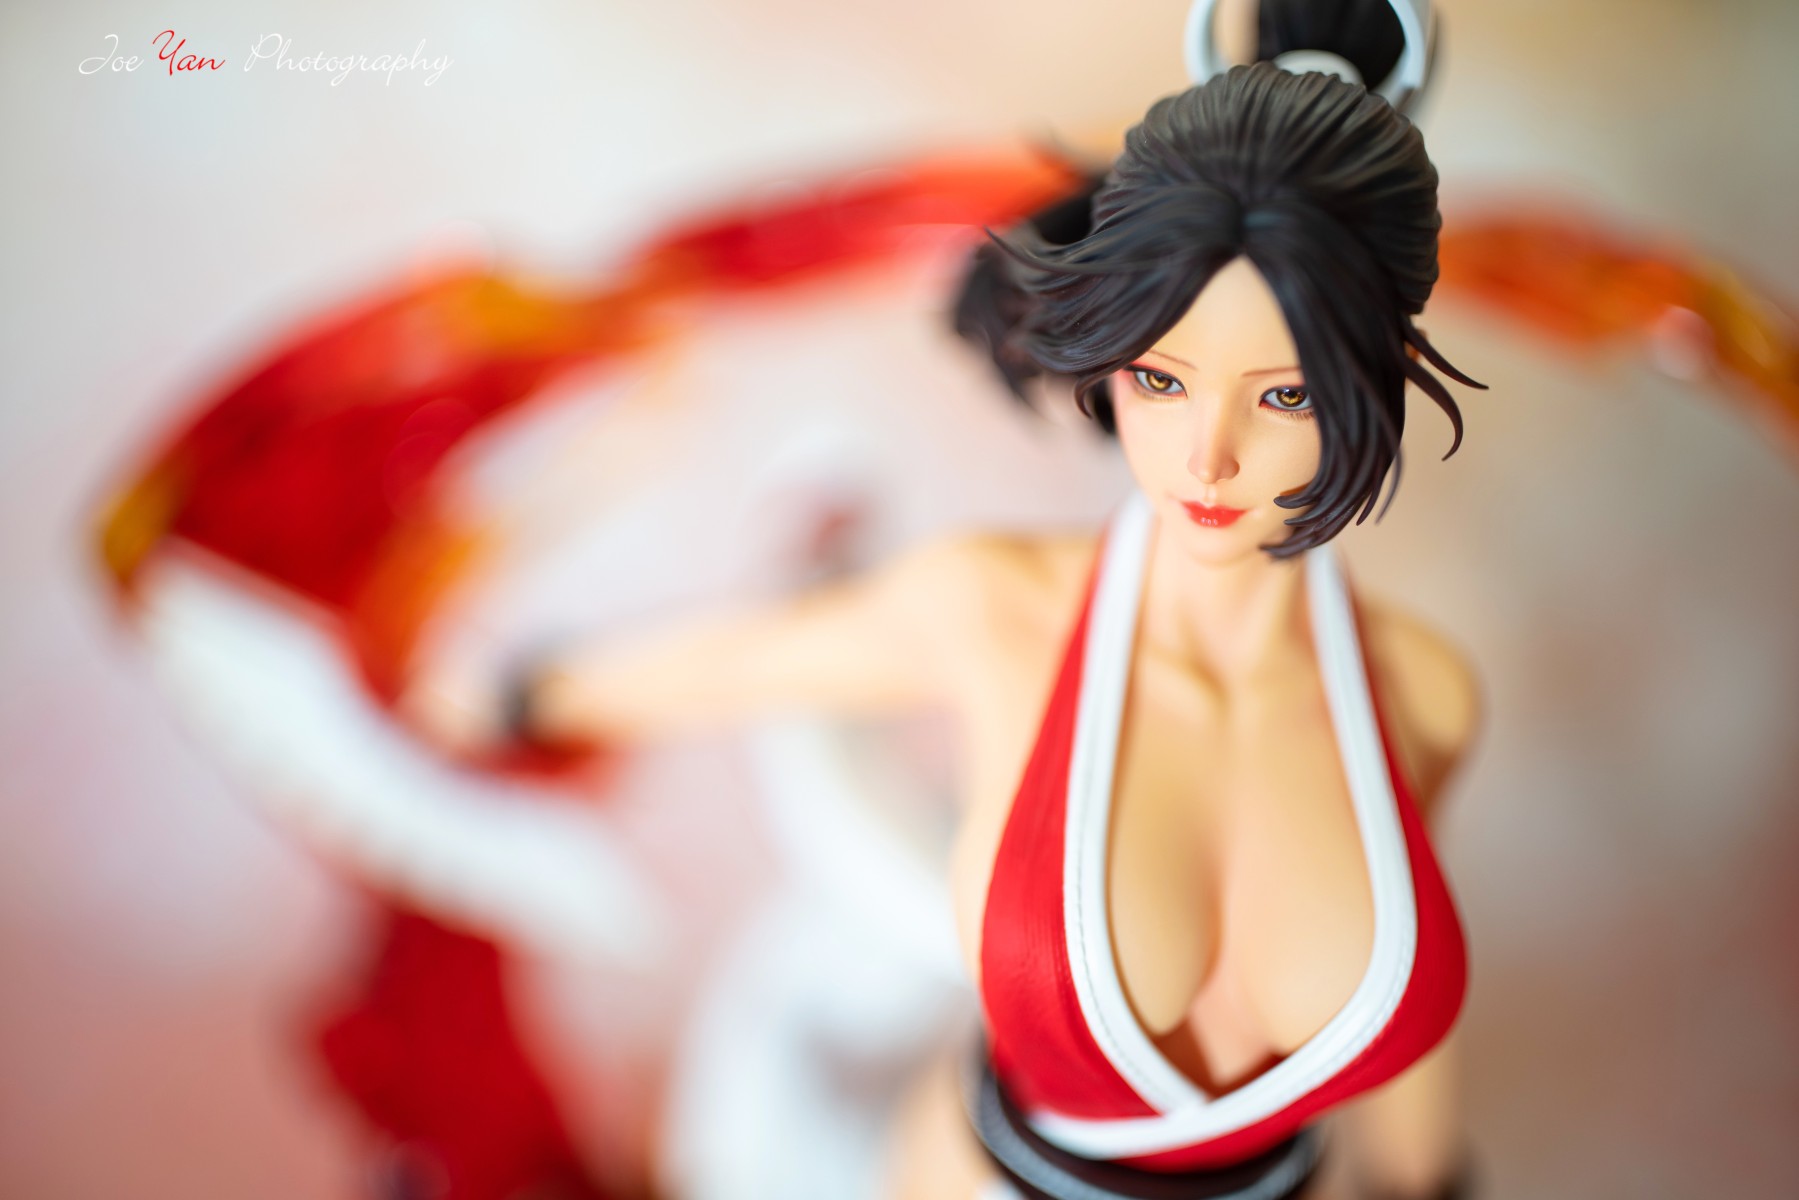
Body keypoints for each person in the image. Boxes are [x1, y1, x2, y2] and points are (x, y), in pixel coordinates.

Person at [407, 7, 1485, 1198]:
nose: (1206, 456)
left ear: (1375, 371)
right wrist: (517, 696)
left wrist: (1427, 1184)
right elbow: (746, 663)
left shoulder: (1420, 693)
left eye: (1282, 395)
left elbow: (1405, 1045)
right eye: (1159, 379)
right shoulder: (997, 613)